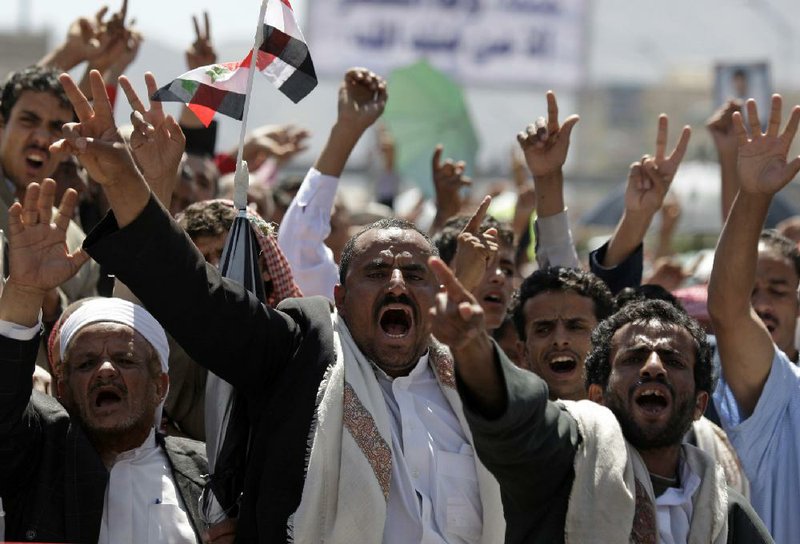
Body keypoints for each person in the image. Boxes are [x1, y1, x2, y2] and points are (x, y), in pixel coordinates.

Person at [59, 68, 504, 543]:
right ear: (338, 293)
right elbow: (197, 297)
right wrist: (128, 181)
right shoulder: (301, 353)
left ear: (434, 293)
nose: (396, 282)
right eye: (375, 273)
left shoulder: (476, 386)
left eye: (415, 274)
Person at [427, 253, 771, 543]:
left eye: (674, 360)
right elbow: (517, 418)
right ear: (597, 395)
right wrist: (472, 346)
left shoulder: (724, 510)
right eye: (633, 358)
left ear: (699, 404)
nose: (653, 367)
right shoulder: (563, 459)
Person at [0, 179, 207, 543]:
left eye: (125, 360)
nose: (105, 370)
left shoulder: (208, 476)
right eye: (86, 363)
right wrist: (26, 291)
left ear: (160, 385)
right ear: (62, 387)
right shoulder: (38, 460)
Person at [708, 95, 800, 542]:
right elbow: (727, 309)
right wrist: (753, 194)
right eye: (752, 291)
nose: (761, 305)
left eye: (778, 291)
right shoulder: (779, 393)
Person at [0, 66, 99, 308]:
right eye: (28, 120)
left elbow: (88, 339)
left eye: (56, 127)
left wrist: (51, 300)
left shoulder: (77, 243)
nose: (43, 138)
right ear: (2, 124)